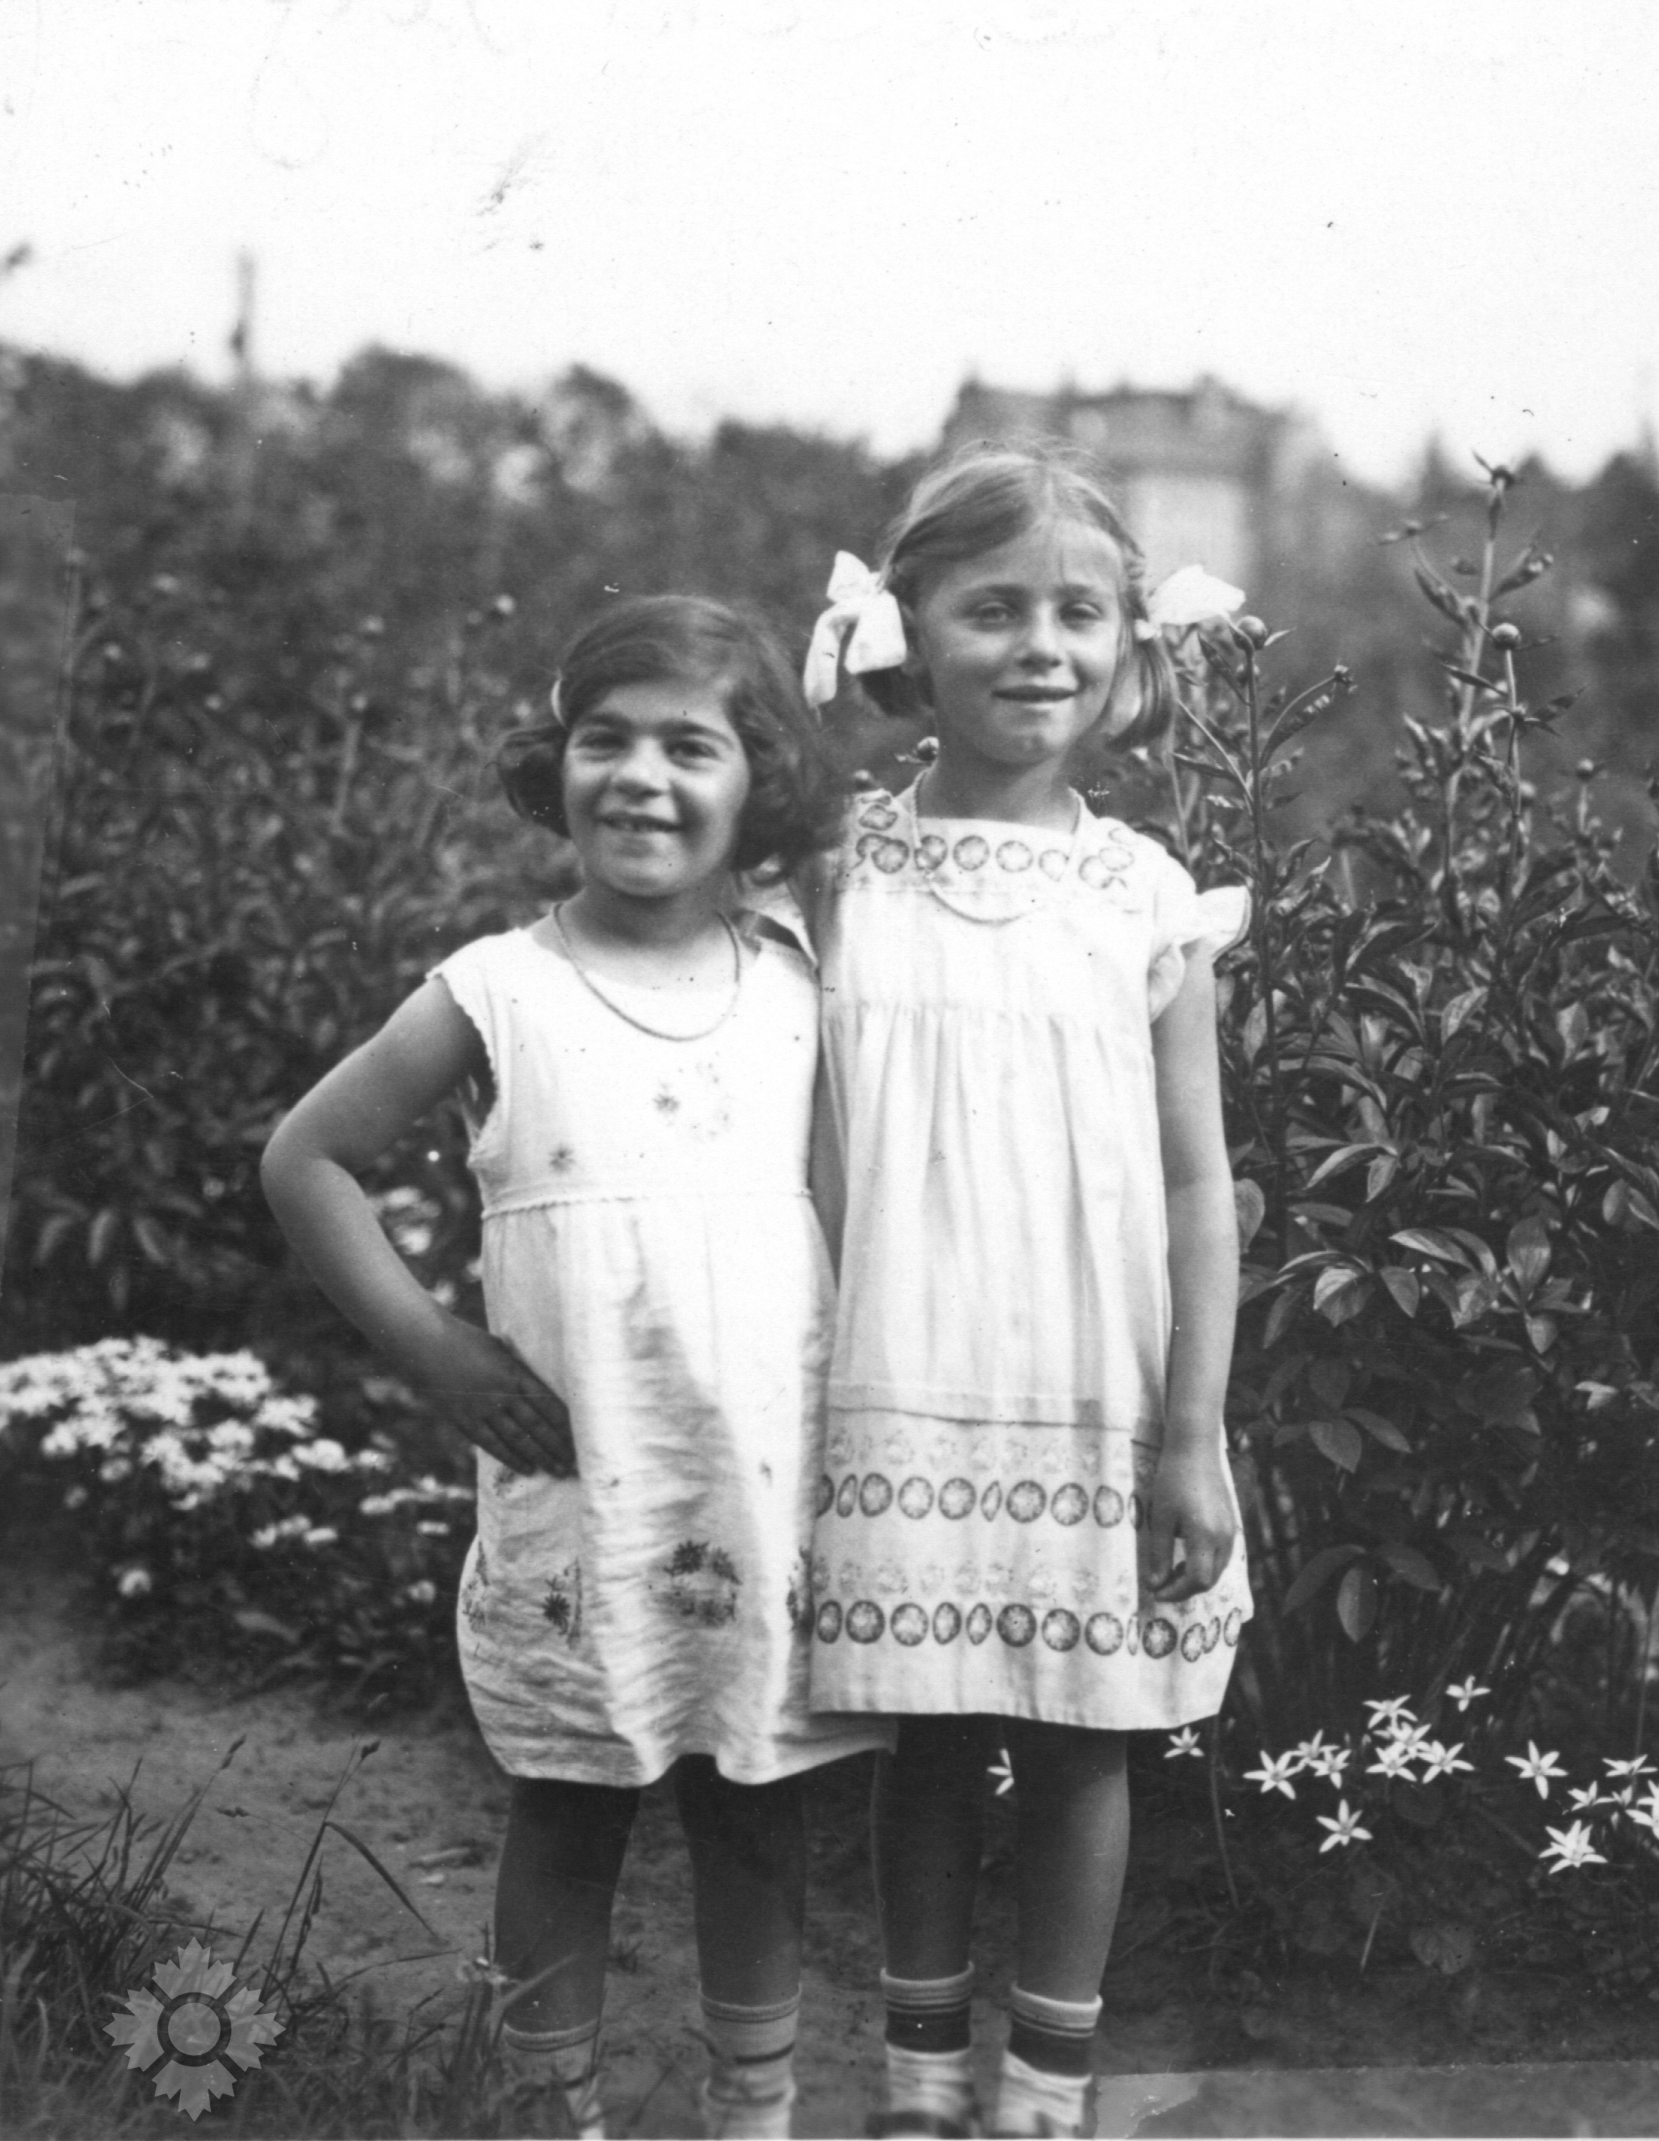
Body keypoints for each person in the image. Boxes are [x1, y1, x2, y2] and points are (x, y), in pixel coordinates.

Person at [261, 597, 889, 2141]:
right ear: (555, 766)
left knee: (757, 1808)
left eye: (692, 747)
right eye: (605, 740)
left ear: (758, 780)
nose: (642, 778)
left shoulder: (802, 978)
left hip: (759, 1493)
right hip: (583, 1491)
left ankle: (756, 2111)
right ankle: (546, 2112)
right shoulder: (499, 989)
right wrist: (434, 1349)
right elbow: (306, 1159)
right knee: (569, 1800)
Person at [800, 452, 1252, 2140]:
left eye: (1079, 612)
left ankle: (1046, 2092)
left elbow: (1196, 1185)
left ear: (1130, 645)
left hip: (1093, 1380)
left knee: (1084, 1736)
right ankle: (919, 2083)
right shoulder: (837, 872)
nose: (1040, 646)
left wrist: (1192, 1433)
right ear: (906, 632)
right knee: (923, 1729)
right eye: (993, 609)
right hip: (892, 1364)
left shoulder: (1145, 897)